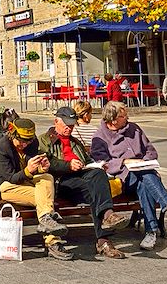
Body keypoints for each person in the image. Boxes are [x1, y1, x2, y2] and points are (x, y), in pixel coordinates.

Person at [90, 102, 167, 251]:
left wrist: (144, 162)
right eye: (122, 116)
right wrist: (125, 162)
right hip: (121, 180)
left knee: (144, 182)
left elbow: (150, 150)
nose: (127, 118)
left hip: (144, 175)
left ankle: (151, 232)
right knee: (143, 174)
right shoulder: (100, 136)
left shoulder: (134, 128)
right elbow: (101, 162)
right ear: (112, 120)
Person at [38, 107, 129, 259]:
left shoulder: (75, 142)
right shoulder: (44, 140)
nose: (70, 128)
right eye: (66, 124)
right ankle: (105, 233)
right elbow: (45, 163)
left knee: (98, 177)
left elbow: (88, 161)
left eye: (72, 124)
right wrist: (68, 165)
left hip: (82, 181)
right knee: (96, 189)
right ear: (56, 122)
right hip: (61, 183)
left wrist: (97, 165)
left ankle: (105, 232)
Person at [0, 118, 69, 260]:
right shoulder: (1, 148)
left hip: (25, 184)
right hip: (2, 188)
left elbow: (33, 169)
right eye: (20, 141)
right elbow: (10, 177)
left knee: (47, 178)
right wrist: (29, 170)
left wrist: (40, 168)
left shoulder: (32, 144)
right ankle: (53, 242)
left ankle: (46, 220)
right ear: (12, 135)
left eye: (28, 141)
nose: (24, 145)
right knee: (43, 198)